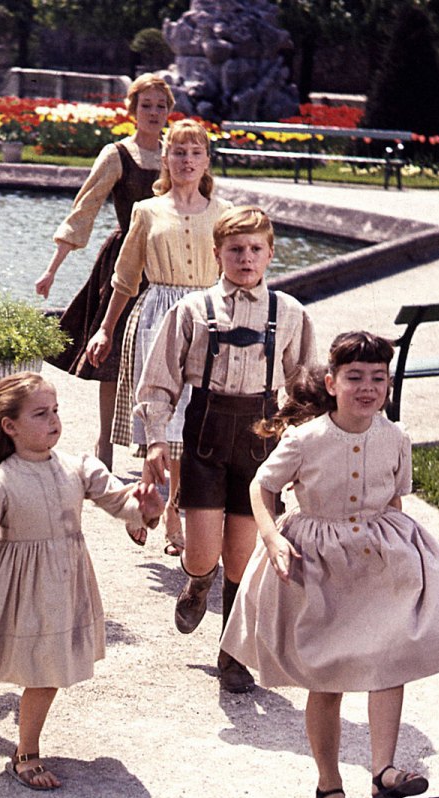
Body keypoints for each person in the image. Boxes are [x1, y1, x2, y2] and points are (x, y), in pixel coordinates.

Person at [220, 331, 439, 798]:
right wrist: (272, 537)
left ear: (388, 384)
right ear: (332, 383)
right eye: (354, 378)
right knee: (329, 675)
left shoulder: (396, 438)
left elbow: (395, 502)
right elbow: (262, 486)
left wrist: (406, 561)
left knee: (391, 657)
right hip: (319, 561)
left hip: (379, 557)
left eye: (378, 379)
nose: (367, 388)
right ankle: (328, 783)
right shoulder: (305, 438)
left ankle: (383, 770)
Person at [0, 373, 163, 790]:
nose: (54, 421)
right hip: (20, 588)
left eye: (56, 411)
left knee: (41, 664)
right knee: (27, 660)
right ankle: (25, 753)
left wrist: (145, 507)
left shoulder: (78, 467)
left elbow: (120, 502)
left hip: (66, 585)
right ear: (10, 426)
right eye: (41, 414)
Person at [137, 205, 315, 694]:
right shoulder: (192, 311)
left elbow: (304, 389)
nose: (246, 258)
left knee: (242, 559)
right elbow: (157, 383)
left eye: (256, 249)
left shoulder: (291, 315)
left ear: (271, 254)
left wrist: (305, 451)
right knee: (202, 552)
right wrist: (155, 440)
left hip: (260, 441)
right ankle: (197, 580)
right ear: (217, 254)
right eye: (235, 249)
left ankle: (231, 652)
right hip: (206, 435)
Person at [85, 118, 232, 559]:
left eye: (195, 152)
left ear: (207, 159)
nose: (187, 161)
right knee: (158, 418)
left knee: (190, 420)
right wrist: (105, 329)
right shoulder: (147, 212)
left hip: (206, 320)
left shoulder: (223, 213)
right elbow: (125, 279)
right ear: (165, 159)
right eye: (178, 152)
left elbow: (236, 275)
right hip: (155, 318)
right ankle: (151, 501)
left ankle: (169, 507)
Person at [35, 73, 172, 472]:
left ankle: (154, 443)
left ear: (169, 112)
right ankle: (106, 442)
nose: (153, 113)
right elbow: (84, 210)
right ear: (132, 110)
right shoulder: (117, 155)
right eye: (145, 105)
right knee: (110, 356)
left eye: (160, 106)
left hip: (165, 266)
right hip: (124, 263)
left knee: (159, 356)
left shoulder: (173, 155)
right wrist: (51, 270)